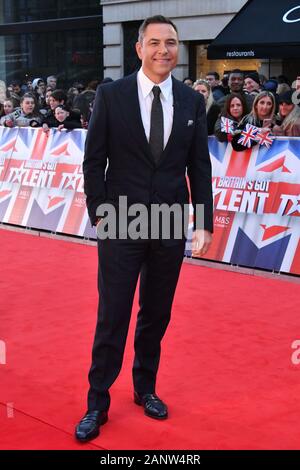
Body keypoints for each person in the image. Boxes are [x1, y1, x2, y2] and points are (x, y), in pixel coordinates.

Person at [75, 14, 213, 442]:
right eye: (154, 42)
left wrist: (203, 220)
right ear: (138, 48)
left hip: (170, 220)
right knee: (112, 315)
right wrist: (100, 211)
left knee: (156, 313)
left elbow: (199, 167)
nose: (163, 51)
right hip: (120, 219)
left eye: (171, 43)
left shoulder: (191, 102)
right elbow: (93, 159)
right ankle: (97, 402)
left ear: (178, 49)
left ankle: (145, 388)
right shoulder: (111, 95)